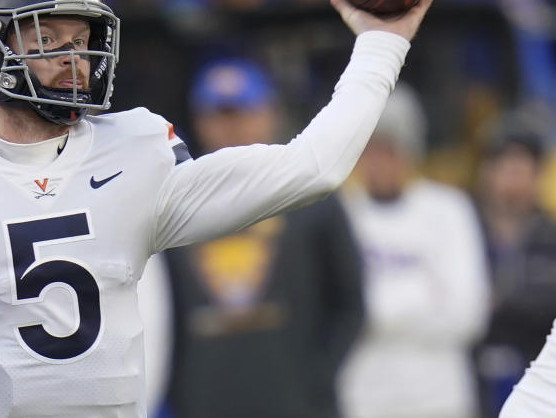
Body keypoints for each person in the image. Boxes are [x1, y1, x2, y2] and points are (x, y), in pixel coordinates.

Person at [0, 0, 436, 417]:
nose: (71, 56)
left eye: (80, 39)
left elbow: (314, 167)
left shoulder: (136, 153)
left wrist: (381, 45)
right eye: (44, 38)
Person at [167, 59, 365, 418]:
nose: (231, 125)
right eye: (218, 114)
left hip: (298, 403)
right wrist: (178, 390)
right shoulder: (177, 199)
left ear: (270, 112)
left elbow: (351, 302)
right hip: (206, 402)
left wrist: (317, 378)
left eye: (242, 111)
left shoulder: (312, 193)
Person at [337, 85, 490, 418]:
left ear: (410, 149)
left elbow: (467, 314)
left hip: (441, 399)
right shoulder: (341, 215)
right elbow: (337, 314)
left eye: (389, 149)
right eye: (369, 150)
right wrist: (422, 296)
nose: (378, 162)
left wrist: (374, 310)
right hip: (363, 400)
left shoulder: (449, 209)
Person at [474, 121, 556, 415]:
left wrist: (497, 303)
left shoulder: (551, 237)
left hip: (535, 375)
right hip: (470, 379)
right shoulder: (465, 228)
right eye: (506, 169)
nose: (514, 182)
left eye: (522, 171)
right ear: (488, 173)